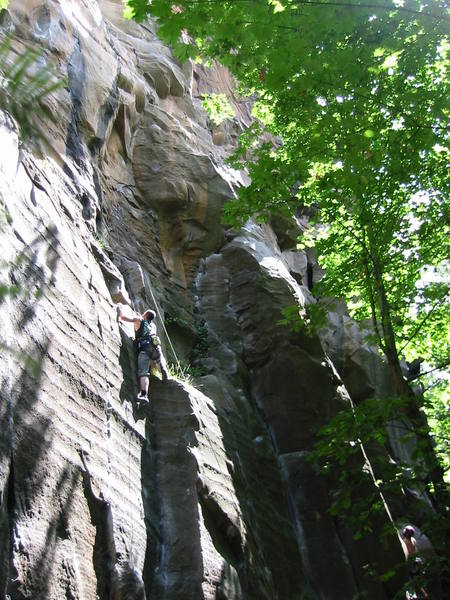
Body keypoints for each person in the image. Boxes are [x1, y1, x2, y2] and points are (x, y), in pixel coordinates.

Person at [118, 305, 169, 402]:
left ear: (145, 315)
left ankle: (144, 395)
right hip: (155, 346)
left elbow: (123, 318)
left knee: (144, 372)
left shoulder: (139, 320)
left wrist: (120, 310)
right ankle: (163, 369)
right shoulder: (153, 326)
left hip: (144, 347)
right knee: (159, 357)